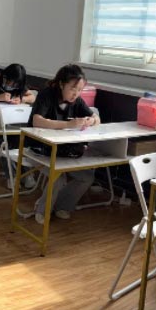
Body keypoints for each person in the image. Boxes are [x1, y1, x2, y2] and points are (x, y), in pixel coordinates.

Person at [29, 64, 100, 224]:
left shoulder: (77, 100)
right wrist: (68, 124)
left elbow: (96, 118)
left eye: (80, 90)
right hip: (39, 148)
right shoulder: (47, 94)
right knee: (58, 177)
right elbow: (37, 121)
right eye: (73, 88)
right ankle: (42, 209)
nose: (76, 93)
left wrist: (90, 120)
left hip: (63, 151)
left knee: (87, 177)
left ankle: (62, 206)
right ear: (61, 84)